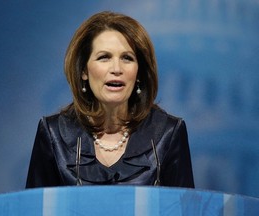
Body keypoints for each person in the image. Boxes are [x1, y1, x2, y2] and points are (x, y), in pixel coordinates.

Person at [26, 11, 194, 188]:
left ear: (138, 73)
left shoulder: (168, 133)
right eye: (104, 57)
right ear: (83, 70)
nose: (116, 68)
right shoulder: (54, 134)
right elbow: (35, 209)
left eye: (127, 58)